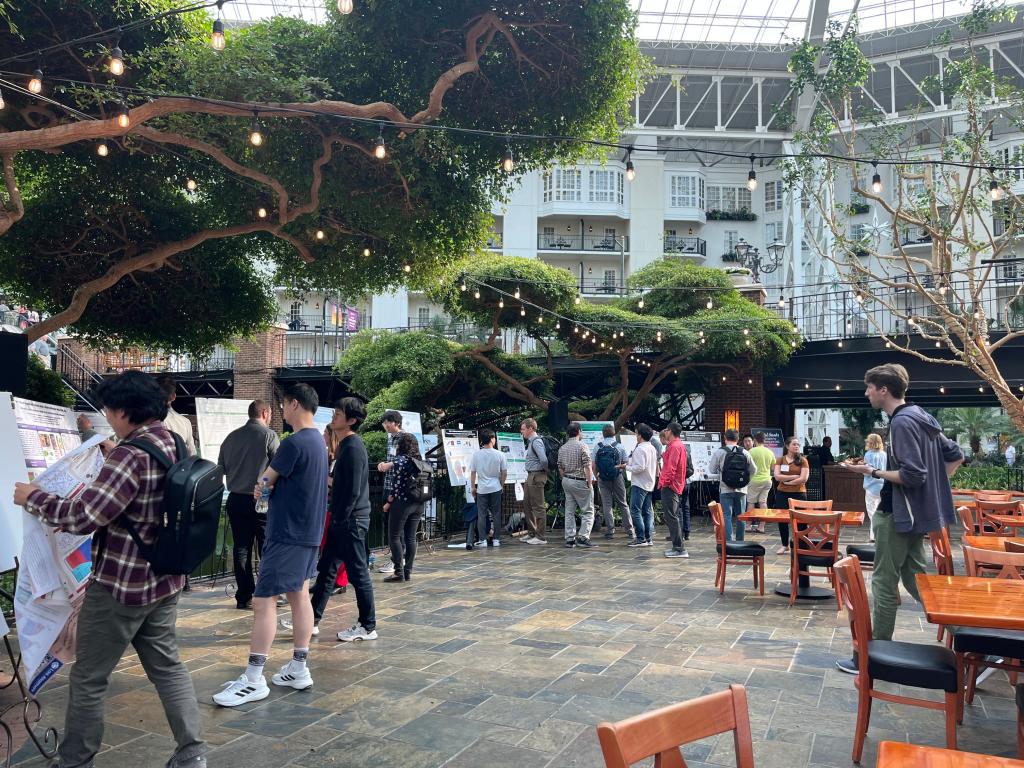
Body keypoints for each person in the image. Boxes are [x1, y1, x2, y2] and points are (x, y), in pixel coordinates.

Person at [13, 371, 207, 768]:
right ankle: (192, 754)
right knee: (168, 667)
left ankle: (75, 760)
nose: (106, 416)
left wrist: (34, 498)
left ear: (122, 410)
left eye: (108, 409)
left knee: (89, 677)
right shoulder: (171, 440)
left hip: (122, 586)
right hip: (164, 580)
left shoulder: (130, 453)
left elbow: (87, 515)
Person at [839, 363, 963, 673]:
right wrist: (930, 495)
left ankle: (875, 656)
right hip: (911, 516)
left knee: (883, 580)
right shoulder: (922, 416)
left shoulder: (902, 423)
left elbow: (914, 475)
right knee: (916, 580)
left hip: (894, 514)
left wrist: (873, 471)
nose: (866, 392)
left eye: (870, 387)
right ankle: (971, 635)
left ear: (884, 390)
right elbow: (956, 455)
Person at [214, 383, 327, 706]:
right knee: (299, 594)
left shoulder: (294, 443)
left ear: (292, 405)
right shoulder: (317, 441)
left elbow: (265, 480)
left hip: (286, 533)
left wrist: (261, 494)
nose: (281, 411)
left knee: (263, 602)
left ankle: (253, 678)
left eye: (284, 406)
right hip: (308, 533)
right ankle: (298, 667)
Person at [310, 397, 377, 641]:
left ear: (351, 420)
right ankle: (312, 620)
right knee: (327, 570)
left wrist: (340, 519)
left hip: (350, 522)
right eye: (335, 411)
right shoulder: (346, 446)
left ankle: (368, 626)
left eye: (339, 413)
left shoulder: (353, 447)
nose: (334, 415)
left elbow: (352, 491)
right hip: (344, 520)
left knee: (359, 574)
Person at [217, 399, 279, 609]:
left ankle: (244, 595)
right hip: (261, 498)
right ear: (264, 413)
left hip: (235, 498)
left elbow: (221, 468)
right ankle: (267, 593)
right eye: (270, 414)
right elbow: (280, 467)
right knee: (266, 547)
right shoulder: (269, 436)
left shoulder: (231, 437)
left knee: (241, 548)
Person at [384, 432, 426, 580]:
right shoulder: (420, 461)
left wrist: (389, 501)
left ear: (401, 446)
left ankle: (398, 572)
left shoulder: (400, 460)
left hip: (402, 503)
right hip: (419, 503)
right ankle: (408, 571)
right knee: (411, 538)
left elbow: (396, 484)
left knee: (394, 536)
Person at [707, 429, 757, 543]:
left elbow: (712, 469)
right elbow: (754, 469)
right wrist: (746, 481)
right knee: (741, 516)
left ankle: (729, 541)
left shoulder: (720, 452)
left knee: (726, 515)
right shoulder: (745, 452)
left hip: (725, 488)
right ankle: (740, 541)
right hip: (741, 489)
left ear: (725, 438)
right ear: (738, 439)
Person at [557, 422, 596, 548]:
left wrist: (566, 477)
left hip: (567, 480)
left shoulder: (563, 448)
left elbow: (560, 467)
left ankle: (569, 539)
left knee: (569, 511)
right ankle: (583, 537)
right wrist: (589, 483)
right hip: (580, 481)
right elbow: (588, 466)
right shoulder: (582, 446)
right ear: (579, 431)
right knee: (588, 510)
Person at [375, 410, 404, 573]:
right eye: (384, 422)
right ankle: (398, 558)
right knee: (390, 524)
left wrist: (389, 465)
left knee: (395, 526)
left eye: (388, 422)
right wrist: (384, 464)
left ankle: (397, 560)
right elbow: (393, 460)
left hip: (397, 486)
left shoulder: (404, 438)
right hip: (388, 483)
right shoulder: (391, 438)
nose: (385, 425)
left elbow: (405, 461)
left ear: (397, 423)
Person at [468, 429, 508, 549]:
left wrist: (473, 487)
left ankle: (482, 540)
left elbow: (473, 473)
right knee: (496, 514)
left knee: (482, 514)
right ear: (492, 439)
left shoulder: (476, 454)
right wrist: (502, 484)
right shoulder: (500, 454)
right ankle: (496, 539)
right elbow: (504, 472)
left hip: (482, 488)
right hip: (496, 486)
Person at [595, 424, 633, 541]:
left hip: (602, 478)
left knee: (607, 504)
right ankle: (629, 530)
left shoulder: (598, 446)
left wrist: (597, 475)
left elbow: (594, 463)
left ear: (603, 434)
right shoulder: (619, 446)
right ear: (614, 433)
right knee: (623, 503)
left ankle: (610, 530)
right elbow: (625, 462)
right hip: (617, 477)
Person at [772, 437, 809, 554]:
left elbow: (803, 478)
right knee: (782, 519)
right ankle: (785, 544)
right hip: (782, 493)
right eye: (794, 444)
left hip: (799, 494)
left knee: (802, 520)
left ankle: (802, 545)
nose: (797, 446)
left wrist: (788, 482)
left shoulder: (803, 460)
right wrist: (793, 477)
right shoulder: (780, 460)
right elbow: (777, 476)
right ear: (787, 446)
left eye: (798, 444)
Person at [624, 423, 658, 547]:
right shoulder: (652, 448)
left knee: (635, 510)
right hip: (650, 482)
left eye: (636, 433)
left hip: (639, 483)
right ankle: (648, 538)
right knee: (647, 511)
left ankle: (640, 538)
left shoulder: (640, 449)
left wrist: (626, 467)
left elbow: (639, 467)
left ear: (640, 435)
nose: (636, 435)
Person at [659, 423, 689, 558]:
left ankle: (679, 548)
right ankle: (677, 547)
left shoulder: (675, 446)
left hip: (671, 485)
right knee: (672, 516)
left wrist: (664, 483)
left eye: (666, 429)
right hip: (673, 485)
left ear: (670, 431)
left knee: (672, 516)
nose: (665, 432)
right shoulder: (676, 445)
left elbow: (671, 468)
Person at [519, 418, 548, 544]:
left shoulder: (536, 442)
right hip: (531, 475)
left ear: (531, 428)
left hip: (537, 475)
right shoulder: (531, 442)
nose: (522, 432)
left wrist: (544, 472)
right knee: (527, 504)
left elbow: (544, 460)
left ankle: (540, 536)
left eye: (523, 429)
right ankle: (532, 533)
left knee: (538, 506)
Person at [155, 373, 196, 456]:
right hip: (179, 468)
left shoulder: (148, 421)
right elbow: (192, 453)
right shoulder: (185, 422)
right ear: (173, 397)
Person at [746, 432, 776, 534]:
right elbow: (772, 467)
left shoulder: (751, 451)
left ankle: (748, 525)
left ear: (755, 440)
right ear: (764, 440)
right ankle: (761, 527)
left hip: (754, 480)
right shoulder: (770, 452)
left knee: (751, 502)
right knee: (763, 502)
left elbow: (747, 466)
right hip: (767, 480)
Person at [862, 433, 887, 543]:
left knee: (872, 512)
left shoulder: (868, 455)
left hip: (871, 486)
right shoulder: (884, 454)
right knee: (881, 512)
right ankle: (881, 534)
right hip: (882, 485)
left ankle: (874, 535)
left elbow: (866, 472)